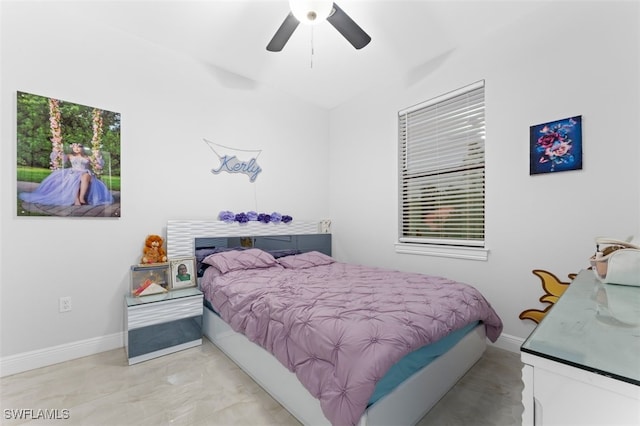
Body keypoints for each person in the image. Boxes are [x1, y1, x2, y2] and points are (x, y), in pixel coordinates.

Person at [19, 143, 114, 206]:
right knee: (74, 178)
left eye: (79, 146)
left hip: (85, 172)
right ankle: (77, 199)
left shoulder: (88, 157)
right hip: (73, 171)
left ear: (82, 148)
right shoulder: (70, 156)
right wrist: (57, 152)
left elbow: (99, 164)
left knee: (85, 176)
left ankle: (81, 198)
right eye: (75, 147)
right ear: (72, 148)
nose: (77, 148)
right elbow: (59, 159)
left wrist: (97, 158)